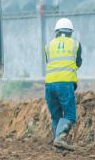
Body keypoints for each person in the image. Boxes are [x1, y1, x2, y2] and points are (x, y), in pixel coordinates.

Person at [44, 17, 82, 151]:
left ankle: (57, 146)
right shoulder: (75, 44)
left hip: (49, 85)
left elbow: (49, 61)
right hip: (65, 84)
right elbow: (78, 63)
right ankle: (59, 139)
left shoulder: (48, 45)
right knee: (70, 115)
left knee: (56, 116)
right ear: (71, 32)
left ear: (56, 32)